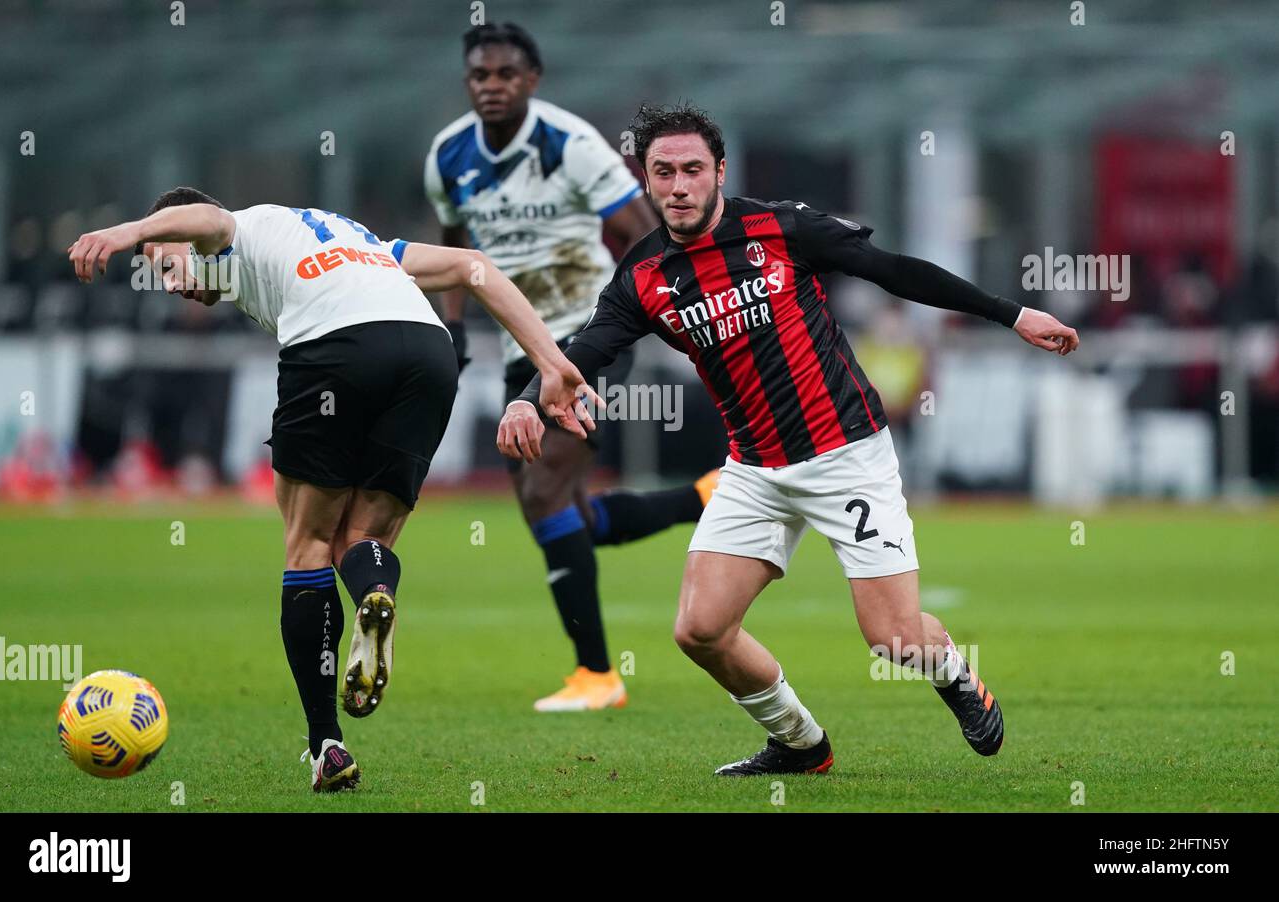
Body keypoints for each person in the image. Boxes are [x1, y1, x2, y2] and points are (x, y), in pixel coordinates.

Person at [499, 104, 1081, 775]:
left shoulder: (780, 227)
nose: (679, 185)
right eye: (664, 172)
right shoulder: (642, 275)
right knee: (700, 629)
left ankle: (952, 672)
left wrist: (1012, 314)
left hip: (847, 454)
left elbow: (892, 270)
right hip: (753, 470)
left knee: (892, 639)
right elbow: (587, 349)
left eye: (693, 169)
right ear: (648, 181)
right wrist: (525, 398)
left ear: (719, 171)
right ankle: (801, 744)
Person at [68, 188, 596, 790]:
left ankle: (326, 744)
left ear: (183, 239)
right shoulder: (353, 238)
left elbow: (209, 216)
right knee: (361, 538)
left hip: (333, 344)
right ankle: (375, 590)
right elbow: (473, 267)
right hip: (427, 350)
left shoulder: (235, 229)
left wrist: (127, 231)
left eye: (166, 263)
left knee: (308, 544)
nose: (168, 282)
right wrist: (550, 362)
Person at [425, 22, 718, 711]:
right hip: (513, 349)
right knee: (567, 515)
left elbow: (643, 236)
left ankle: (597, 676)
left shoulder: (573, 146)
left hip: (581, 342)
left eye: (504, 74)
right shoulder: (447, 155)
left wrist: (640, 318)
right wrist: (450, 328)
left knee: (543, 495)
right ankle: (707, 496)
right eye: (479, 76)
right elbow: (451, 249)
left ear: (532, 80)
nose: (490, 86)